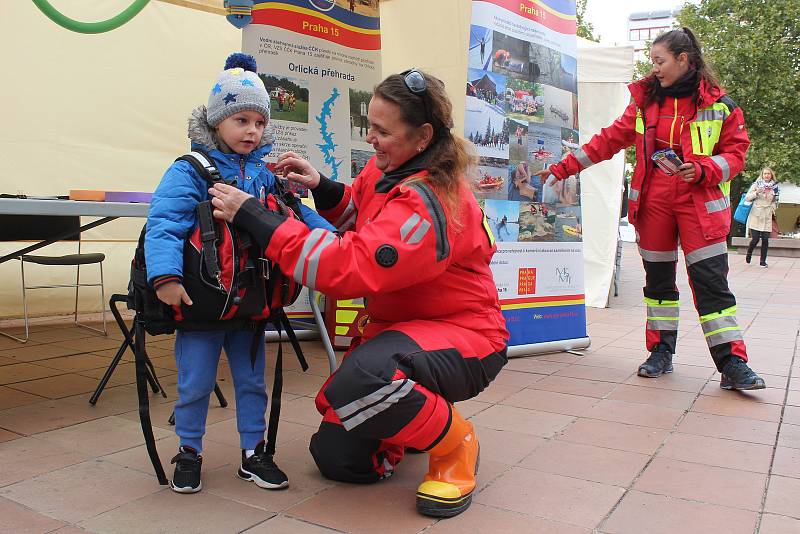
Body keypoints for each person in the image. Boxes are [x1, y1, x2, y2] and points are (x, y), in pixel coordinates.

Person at [208, 69, 509, 518]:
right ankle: (419, 418)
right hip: (402, 331)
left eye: (382, 131)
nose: (370, 138)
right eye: (370, 125)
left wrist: (254, 216)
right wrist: (323, 187)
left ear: (423, 136)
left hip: (465, 336)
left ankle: (456, 446)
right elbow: (362, 215)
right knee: (339, 457)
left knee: (362, 382)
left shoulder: (431, 201)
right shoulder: (389, 166)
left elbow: (348, 267)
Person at [145, 53, 335, 494]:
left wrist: (340, 239)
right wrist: (166, 278)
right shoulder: (189, 171)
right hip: (201, 301)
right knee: (195, 383)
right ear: (216, 123)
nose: (252, 131)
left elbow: (298, 214)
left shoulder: (269, 175)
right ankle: (188, 451)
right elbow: (164, 224)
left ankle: (254, 452)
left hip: (251, 301)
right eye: (241, 120)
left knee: (252, 382)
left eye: (259, 122)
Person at [534, 28, 765, 390]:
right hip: (654, 203)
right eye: (652, 61)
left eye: (659, 61)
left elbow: (736, 155)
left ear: (683, 60)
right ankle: (660, 353)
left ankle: (732, 362)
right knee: (658, 284)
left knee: (712, 286)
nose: (653, 68)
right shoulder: (644, 102)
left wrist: (705, 168)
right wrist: (563, 167)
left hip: (700, 206)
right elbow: (608, 140)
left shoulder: (722, 106)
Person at [745, 167, 779, 267]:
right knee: (755, 239)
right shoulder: (756, 184)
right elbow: (747, 197)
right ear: (762, 175)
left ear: (771, 175)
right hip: (756, 214)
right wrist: (756, 192)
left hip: (767, 215)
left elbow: (776, 201)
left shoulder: (775, 187)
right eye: (765, 174)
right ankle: (749, 253)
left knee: (765, 240)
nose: (767, 175)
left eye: (769, 173)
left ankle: (762, 261)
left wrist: (773, 208)